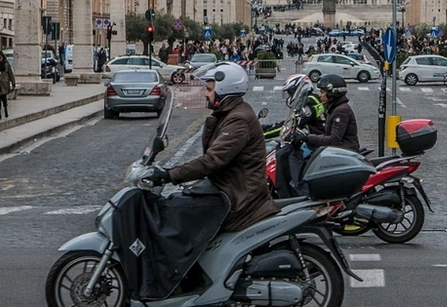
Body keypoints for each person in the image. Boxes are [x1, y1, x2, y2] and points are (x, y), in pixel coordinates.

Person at [147, 63, 280, 232]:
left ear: (224, 90)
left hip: (239, 198)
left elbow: (213, 160)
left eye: (209, 89)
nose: (205, 94)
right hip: (229, 188)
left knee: (179, 214)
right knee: (181, 202)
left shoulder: (238, 119)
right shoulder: (230, 113)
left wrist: (169, 175)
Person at [271, 74, 325, 198]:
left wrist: (263, 132)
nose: (288, 96)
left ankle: (300, 194)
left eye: (290, 92)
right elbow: (290, 122)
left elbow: (292, 124)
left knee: (291, 159)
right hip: (314, 141)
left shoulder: (310, 101)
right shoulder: (308, 100)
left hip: (316, 143)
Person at [294, 74, 359, 153]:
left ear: (332, 93)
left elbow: (334, 139)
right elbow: (327, 135)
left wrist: (307, 138)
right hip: (339, 150)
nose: (320, 95)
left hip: (346, 151)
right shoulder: (333, 108)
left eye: (322, 92)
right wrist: (306, 137)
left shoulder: (341, 111)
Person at [0, 51, 14, 120]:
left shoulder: (6, 64)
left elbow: (10, 73)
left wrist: (13, 82)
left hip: (4, 83)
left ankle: (5, 109)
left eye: (0, 57)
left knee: (4, 98)